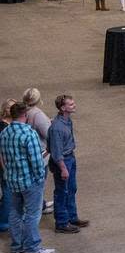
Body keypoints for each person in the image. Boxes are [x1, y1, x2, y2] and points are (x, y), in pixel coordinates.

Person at [0, 101, 54, 253]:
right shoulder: (29, 133)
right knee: (32, 214)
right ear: (25, 115)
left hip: (12, 180)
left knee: (15, 213)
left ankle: (16, 245)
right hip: (30, 181)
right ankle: (33, 247)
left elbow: (4, 156)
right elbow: (36, 160)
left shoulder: (4, 133)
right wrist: (39, 178)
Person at [47, 94, 87, 234]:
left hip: (70, 157)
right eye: (70, 104)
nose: (74, 105)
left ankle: (72, 217)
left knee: (71, 188)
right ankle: (62, 223)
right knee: (62, 192)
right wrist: (63, 169)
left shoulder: (67, 120)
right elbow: (57, 153)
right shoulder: (57, 128)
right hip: (63, 162)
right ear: (63, 108)